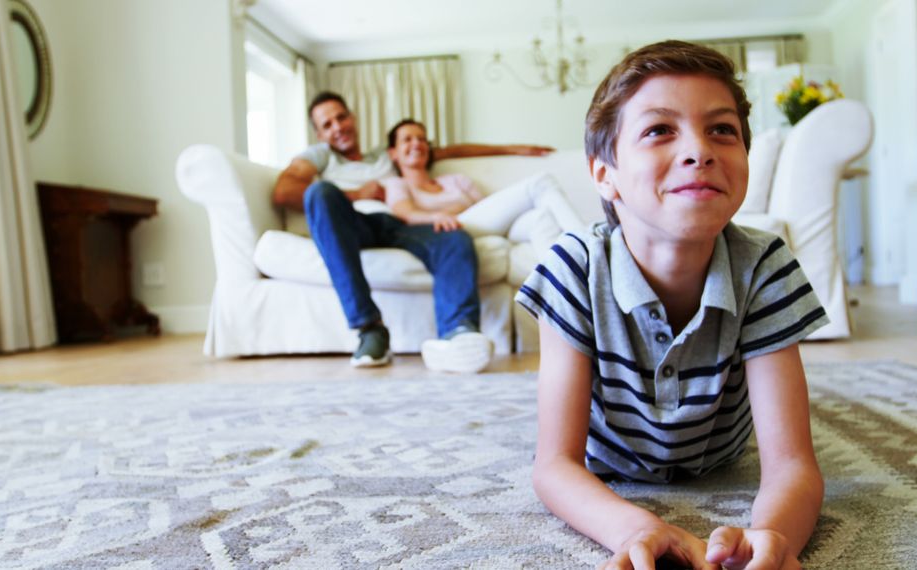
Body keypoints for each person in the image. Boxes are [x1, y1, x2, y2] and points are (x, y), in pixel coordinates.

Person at [515, 40, 827, 570]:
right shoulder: (572, 269)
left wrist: (774, 536)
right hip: (609, 460)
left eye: (722, 130)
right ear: (603, 174)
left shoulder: (764, 264)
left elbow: (792, 465)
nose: (699, 150)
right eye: (660, 129)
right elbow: (555, 465)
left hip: (720, 455)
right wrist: (635, 528)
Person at [272, 91, 553, 373]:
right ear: (319, 134)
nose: (338, 127)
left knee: (452, 235)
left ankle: (458, 333)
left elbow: (451, 151)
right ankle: (369, 328)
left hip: (398, 225)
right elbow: (284, 192)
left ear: (353, 118)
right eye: (327, 124)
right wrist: (357, 193)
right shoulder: (321, 157)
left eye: (341, 117)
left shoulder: (385, 155)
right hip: (352, 226)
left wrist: (513, 150)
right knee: (320, 193)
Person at [382, 118, 584, 251]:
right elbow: (405, 213)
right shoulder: (397, 184)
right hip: (455, 228)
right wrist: (439, 215)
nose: (417, 143)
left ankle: (564, 296)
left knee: (542, 218)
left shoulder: (455, 180)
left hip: (482, 224)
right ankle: (587, 245)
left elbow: (487, 208)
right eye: (407, 140)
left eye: (421, 139)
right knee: (541, 182)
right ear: (393, 152)